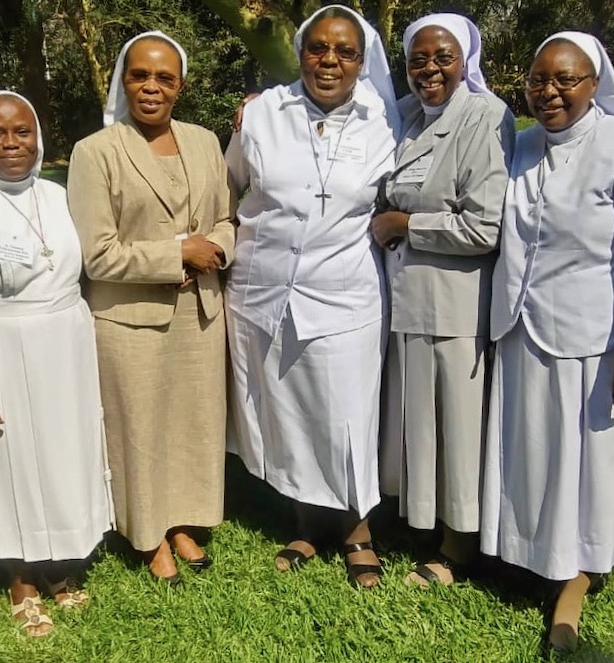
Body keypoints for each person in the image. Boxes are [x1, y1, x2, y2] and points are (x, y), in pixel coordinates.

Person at [480, 31, 614, 651]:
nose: (550, 92)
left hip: (601, 336)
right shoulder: (522, 144)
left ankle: (579, 573)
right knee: (537, 451)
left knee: (593, 464)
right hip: (525, 326)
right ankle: (535, 549)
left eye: (566, 80)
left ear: (596, 83)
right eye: (539, 80)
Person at [225, 5, 398, 588]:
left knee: (346, 416)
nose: (330, 61)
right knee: (286, 412)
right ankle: (304, 521)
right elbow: (232, 187)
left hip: (344, 293)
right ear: (300, 53)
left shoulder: (384, 122)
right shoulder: (260, 115)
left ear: (361, 60)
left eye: (345, 52)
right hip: (263, 289)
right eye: (318, 48)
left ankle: (356, 531)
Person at [0, 90, 114, 636]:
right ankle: (21, 578)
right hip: (3, 348)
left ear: (38, 136)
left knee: (62, 454)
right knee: (10, 462)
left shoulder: (60, 196)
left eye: (22, 132)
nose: (10, 144)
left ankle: (58, 566)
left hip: (66, 343)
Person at [67, 31, 235, 585]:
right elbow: (97, 255)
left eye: (164, 78)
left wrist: (219, 248)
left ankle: (184, 519)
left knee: (192, 422)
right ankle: (149, 534)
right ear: (123, 80)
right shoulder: (97, 152)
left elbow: (227, 219)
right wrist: (176, 253)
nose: (151, 87)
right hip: (131, 318)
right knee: (140, 427)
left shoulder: (205, 141)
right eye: (140, 75)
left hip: (199, 313)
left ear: (180, 86)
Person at [372, 13, 514, 589]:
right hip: (406, 300)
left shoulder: (485, 117)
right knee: (419, 422)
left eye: (443, 57)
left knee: (456, 424)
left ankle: (459, 547)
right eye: (418, 59)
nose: (429, 69)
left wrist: (406, 223)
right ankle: (425, 524)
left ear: (467, 59)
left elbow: (485, 225)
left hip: (454, 303)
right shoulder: (405, 117)